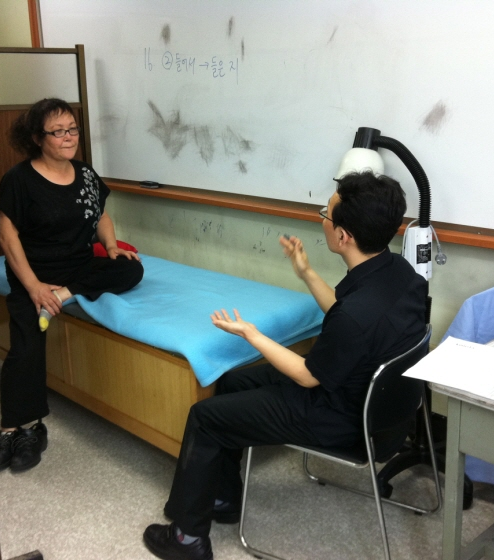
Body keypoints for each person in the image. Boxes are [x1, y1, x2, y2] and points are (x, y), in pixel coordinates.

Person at [142, 171, 427, 560]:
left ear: (344, 236)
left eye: (326, 215)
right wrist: (306, 272)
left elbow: (308, 376)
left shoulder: (357, 315)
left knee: (205, 417)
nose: (321, 219)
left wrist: (251, 334)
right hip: (378, 405)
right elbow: (346, 318)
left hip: (341, 417)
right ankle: (224, 497)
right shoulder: (398, 272)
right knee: (230, 384)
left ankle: (187, 538)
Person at [0, 98, 144, 473]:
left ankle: (67, 292)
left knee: (131, 269)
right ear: (37, 138)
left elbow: (100, 215)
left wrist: (111, 247)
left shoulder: (85, 173)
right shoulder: (19, 179)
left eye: (72, 129)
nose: (68, 137)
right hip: (34, 271)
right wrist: (34, 287)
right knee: (25, 345)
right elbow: (7, 237)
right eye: (58, 132)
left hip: (77, 267)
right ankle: (16, 428)